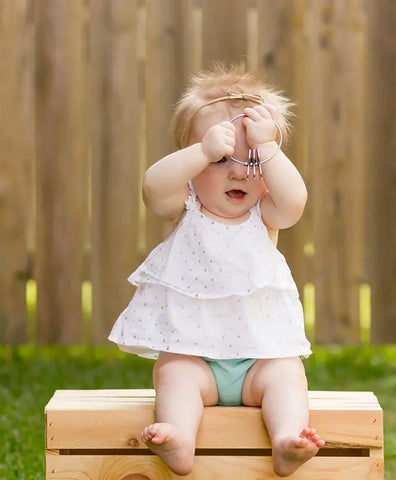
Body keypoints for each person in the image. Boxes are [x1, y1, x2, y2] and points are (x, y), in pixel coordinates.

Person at [109, 64, 325, 477]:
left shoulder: (266, 215)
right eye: (222, 158)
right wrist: (201, 151)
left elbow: (296, 200)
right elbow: (152, 187)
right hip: (198, 359)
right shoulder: (184, 207)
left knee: (288, 375)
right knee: (173, 373)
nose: (240, 171)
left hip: (257, 362)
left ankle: (287, 441)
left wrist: (272, 150)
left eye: (254, 161)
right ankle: (178, 438)